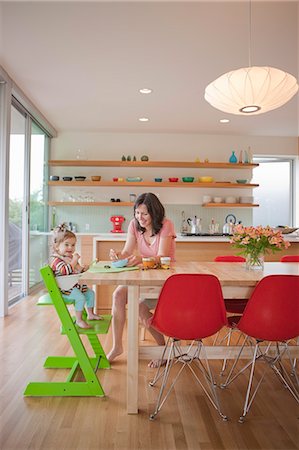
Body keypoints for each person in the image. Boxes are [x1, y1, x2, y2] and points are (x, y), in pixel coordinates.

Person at [107, 192, 176, 367]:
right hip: (144, 275)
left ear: (155, 212)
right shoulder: (134, 225)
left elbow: (162, 256)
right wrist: (118, 256)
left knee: (139, 307)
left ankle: (162, 349)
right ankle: (117, 347)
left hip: (165, 278)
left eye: (145, 213)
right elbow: (127, 251)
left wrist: (142, 259)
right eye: (137, 213)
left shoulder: (166, 225)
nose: (140, 217)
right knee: (118, 295)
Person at [49, 223, 102, 329]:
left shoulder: (69, 257)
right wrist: (74, 260)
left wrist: (83, 269)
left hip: (75, 286)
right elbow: (65, 271)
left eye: (73, 245)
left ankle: (90, 314)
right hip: (65, 289)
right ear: (57, 247)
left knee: (91, 293)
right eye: (67, 245)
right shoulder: (57, 260)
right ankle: (79, 320)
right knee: (80, 298)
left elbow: (77, 270)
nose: (71, 248)